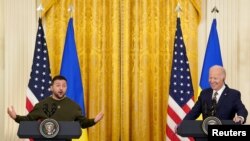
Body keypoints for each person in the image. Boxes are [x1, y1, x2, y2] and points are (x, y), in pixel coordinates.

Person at [7, 75, 104, 128]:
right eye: (58, 85)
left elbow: (82, 123)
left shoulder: (74, 106)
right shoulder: (41, 105)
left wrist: (94, 120)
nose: (61, 88)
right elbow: (28, 120)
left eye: (64, 85)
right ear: (51, 88)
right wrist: (16, 117)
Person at [183, 65, 248, 124]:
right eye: (210, 78)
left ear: (223, 78)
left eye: (215, 78)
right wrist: (182, 124)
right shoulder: (204, 94)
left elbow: (242, 110)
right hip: (205, 134)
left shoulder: (233, 94)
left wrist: (240, 117)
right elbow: (194, 112)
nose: (212, 81)